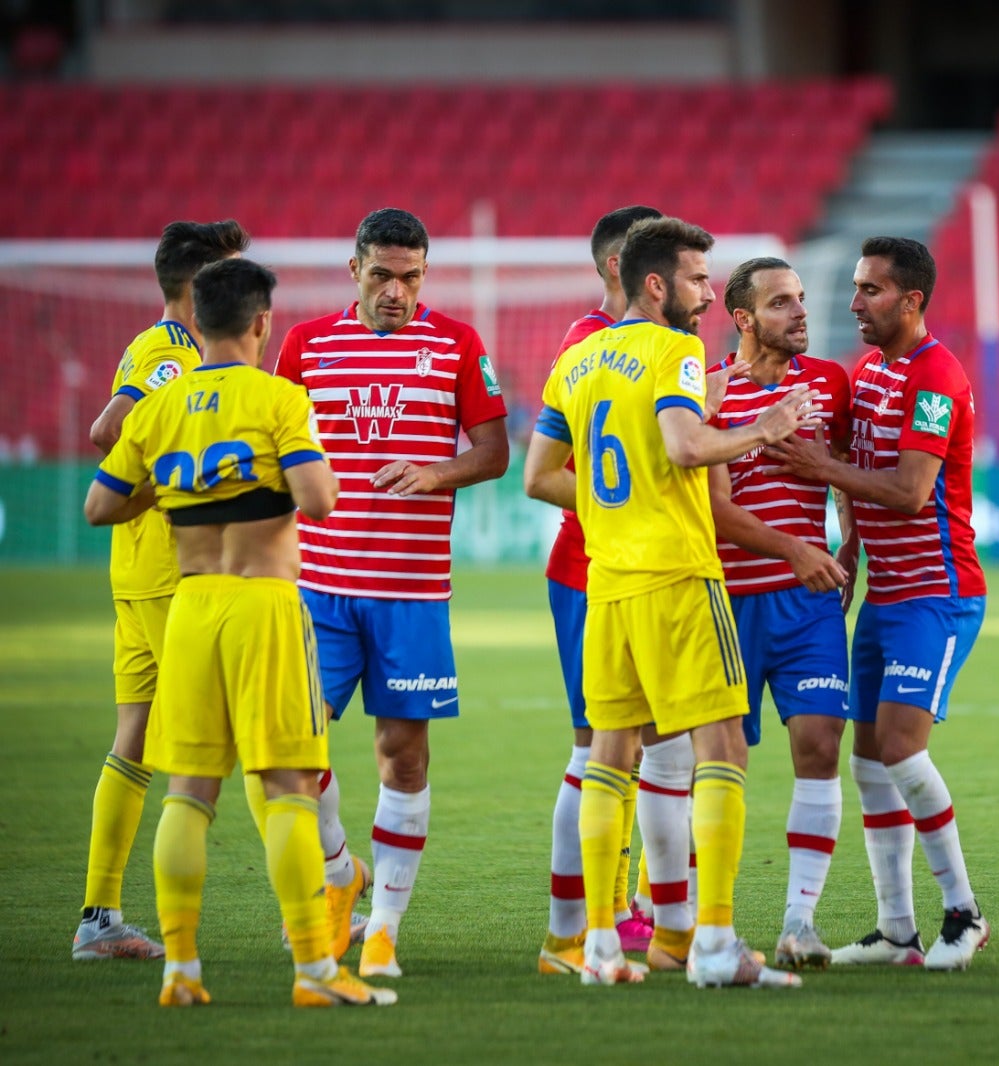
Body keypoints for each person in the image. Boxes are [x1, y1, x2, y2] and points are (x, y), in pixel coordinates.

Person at [84, 257, 395, 1007]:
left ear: (196, 319)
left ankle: (182, 971)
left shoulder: (161, 408)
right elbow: (319, 500)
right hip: (263, 604)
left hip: (190, 607)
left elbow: (101, 505)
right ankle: (316, 972)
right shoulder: (278, 399)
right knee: (287, 784)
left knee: (189, 793)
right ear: (261, 322)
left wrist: (173, 488)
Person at [524, 216, 814, 988]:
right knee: (722, 749)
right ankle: (715, 946)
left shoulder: (578, 359)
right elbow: (686, 447)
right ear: (656, 284)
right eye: (695, 279)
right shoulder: (676, 350)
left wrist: (625, 499)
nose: (708, 293)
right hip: (681, 578)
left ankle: (599, 945)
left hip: (610, 584)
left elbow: (538, 475)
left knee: (609, 758)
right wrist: (764, 425)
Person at [274, 208, 510, 979]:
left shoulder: (457, 344)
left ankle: (382, 928)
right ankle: (340, 870)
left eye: (411, 277)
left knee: (402, 758)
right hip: (318, 590)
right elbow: (275, 452)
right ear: (355, 271)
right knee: (290, 749)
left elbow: (495, 451)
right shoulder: (306, 345)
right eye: (382, 274)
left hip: (411, 595)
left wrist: (436, 473)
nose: (397, 291)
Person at [766, 236, 991, 972]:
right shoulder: (868, 372)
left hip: (937, 593)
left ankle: (964, 911)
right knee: (866, 762)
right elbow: (855, 487)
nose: (854, 302)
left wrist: (821, 463)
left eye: (871, 290)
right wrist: (850, 559)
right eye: (857, 287)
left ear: (912, 300)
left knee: (900, 747)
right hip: (882, 600)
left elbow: (909, 488)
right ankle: (898, 930)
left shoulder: (937, 376)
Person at [74, 219, 250, 961]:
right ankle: (325, 877)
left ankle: (99, 918)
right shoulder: (171, 353)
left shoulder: (160, 347)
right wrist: (173, 482)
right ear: (201, 285)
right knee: (244, 723)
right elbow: (108, 428)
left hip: (140, 572)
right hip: (164, 574)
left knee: (137, 738)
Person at [707, 257, 852, 969]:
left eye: (800, 300)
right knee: (720, 764)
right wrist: (796, 548)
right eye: (781, 304)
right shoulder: (708, 391)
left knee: (822, 745)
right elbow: (714, 508)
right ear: (741, 318)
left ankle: (800, 921)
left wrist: (845, 542)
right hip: (730, 602)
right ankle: (715, 925)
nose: (800, 313)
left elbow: (849, 465)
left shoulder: (829, 382)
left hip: (809, 603)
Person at [534, 205, 664, 975]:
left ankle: (632, 913)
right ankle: (572, 931)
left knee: (640, 754)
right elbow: (545, 474)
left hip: (630, 571)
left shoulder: (643, 345)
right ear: (624, 266)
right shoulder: (593, 347)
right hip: (594, 573)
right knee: (599, 753)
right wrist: (630, 500)